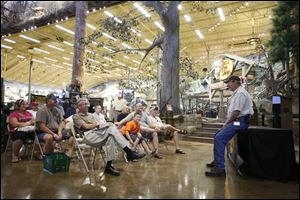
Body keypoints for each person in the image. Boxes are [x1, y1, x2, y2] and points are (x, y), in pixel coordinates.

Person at [73, 98, 145, 176]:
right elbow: (86, 126)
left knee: (111, 136)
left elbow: (97, 126)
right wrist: (99, 125)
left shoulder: (90, 115)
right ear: (79, 106)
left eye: (87, 103)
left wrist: (102, 125)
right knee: (111, 127)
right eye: (85, 104)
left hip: (97, 134)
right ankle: (129, 152)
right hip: (88, 136)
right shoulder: (76, 116)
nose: (87, 105)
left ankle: (109, 166)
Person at [205, 76, 254, 177]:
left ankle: (220, 168)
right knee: (217, 135)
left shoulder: (240, 93)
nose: (227, 85)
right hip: (237, 121)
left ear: (235, 82)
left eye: (228, 83)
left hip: (240, 122)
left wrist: (226, 123)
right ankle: (218, 160)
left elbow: (236, 112)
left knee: (219, 138)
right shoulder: (237, 93)